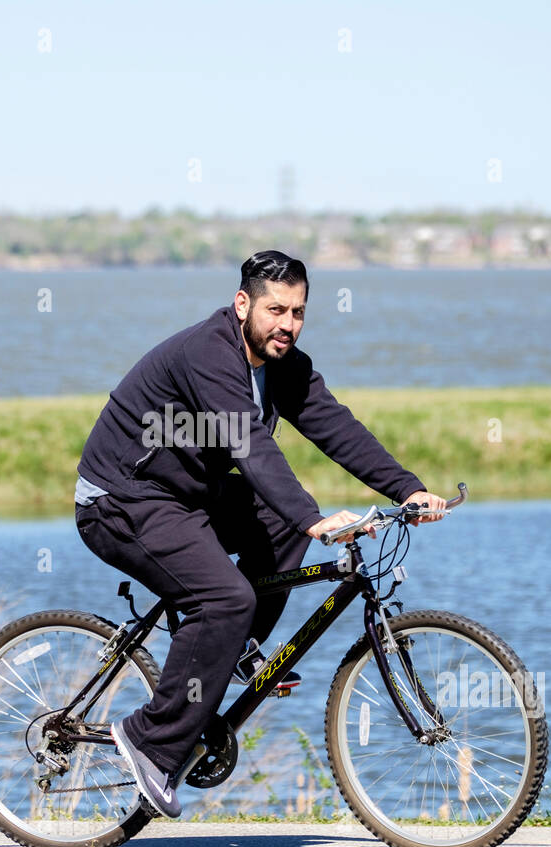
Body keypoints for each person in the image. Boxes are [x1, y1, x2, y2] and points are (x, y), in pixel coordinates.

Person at [74, 250, 444, 817]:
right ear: (243, 303)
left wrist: (406, 489)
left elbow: (335, 426)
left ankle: (235, 646)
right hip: (124, 498)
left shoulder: (283, 362)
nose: (287, 324)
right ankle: (148, 740)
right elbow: (248, 443)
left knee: (279, 523)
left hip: (188, 496)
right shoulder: (208, 354)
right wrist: (313, 520)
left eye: (298, 312)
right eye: (276, 309)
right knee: (226, 596)